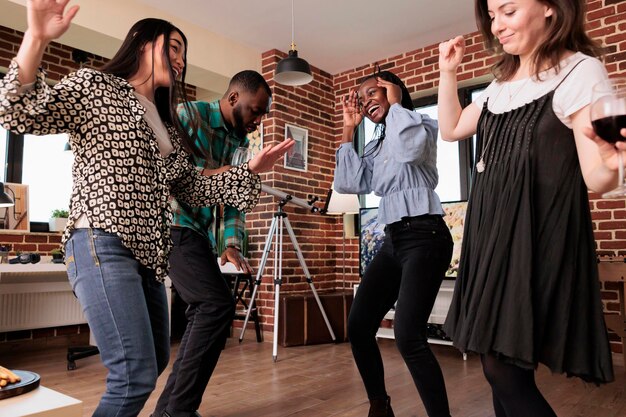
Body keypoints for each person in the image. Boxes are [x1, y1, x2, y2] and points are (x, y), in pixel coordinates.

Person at [0, 1, 293, 416]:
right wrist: (37, 38)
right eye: (173, 47)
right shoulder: (96, 87)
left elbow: (190, 186)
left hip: (149, 259)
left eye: (184, 54)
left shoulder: (165, 122)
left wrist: (250, 169)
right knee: (134, 375)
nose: (180, 59)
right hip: (102, 240)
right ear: (141, 42)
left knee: (154, 362)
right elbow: (18, 111)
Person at [438, 0, 616, 416]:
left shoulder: (580, 71)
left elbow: (598, 178)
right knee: (497, 360)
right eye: (492, 15)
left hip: (536, 236)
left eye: (509, 11)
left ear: (551, 8)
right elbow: (450, 130)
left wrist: (615, 155)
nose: (497, 25)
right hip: (491, 236)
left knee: (501, 366)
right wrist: (448, 72)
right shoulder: (500, 85)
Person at [152, 70, 270, 417]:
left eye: (263, 113)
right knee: (215, 306)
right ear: (234, 98)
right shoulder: (190, 116)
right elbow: (181, 177)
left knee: (211, 319)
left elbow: (232, 198)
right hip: (172, 223)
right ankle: (179, 411)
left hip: (198, 234)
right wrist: (243, 173)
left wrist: (231, 244)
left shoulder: (240, 143)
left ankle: (168, 411)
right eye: (255, 110)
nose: (258, 120)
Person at [335, 70, 453, 417]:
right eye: (362, 97)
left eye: (374, 92)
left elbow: (411, 149)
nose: (367, 100)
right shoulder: (375, 145)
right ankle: (380, 406)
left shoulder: (421, 124)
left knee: (407, 335)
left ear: (394, 90)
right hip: (392, 240)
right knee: (358, 326)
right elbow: (348, 183)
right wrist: (348, 129)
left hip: (426, 236)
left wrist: (398, 103)